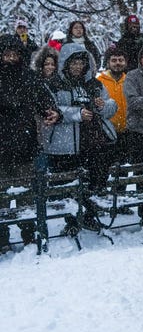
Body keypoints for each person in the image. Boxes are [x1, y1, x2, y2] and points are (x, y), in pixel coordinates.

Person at [0, 34, 60, 250]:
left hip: (25, 144)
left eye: (14, 53)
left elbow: (45, 101)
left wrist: (53, 113)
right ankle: (2, 238)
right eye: (6, 53)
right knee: (2, 197)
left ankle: (28, 233)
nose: (10, 57)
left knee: (26, 196)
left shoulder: (29, 77)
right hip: (2, 147)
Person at [43, 44, 118, 197]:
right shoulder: (54, 84)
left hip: (94, 143)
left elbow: (112, 105)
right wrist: (77, 113)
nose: (78, 67)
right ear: (66, 63)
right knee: (66, 189)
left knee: (94, 186)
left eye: (81, 63)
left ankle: (91, 214)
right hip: (64, 145)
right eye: (74, 63)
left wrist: (103, 106)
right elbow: (49, 110)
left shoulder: (94, 84)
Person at [97, 47, 129, 161]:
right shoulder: (99, 81)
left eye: (121, 60)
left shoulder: (130, 80)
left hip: (128, 132)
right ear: (108, 62)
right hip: (107, 133)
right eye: (114, 60)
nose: (118, 63)